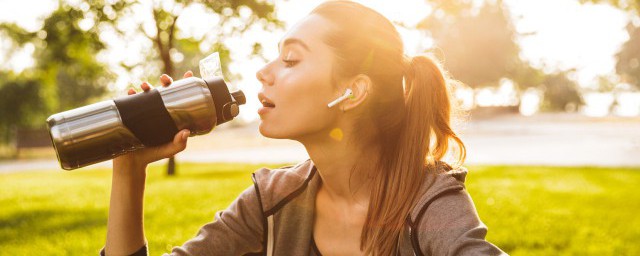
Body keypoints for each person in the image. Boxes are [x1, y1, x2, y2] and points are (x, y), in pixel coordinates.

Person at [102, 1, 507, 255]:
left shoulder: (429, 203)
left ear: (351, 93)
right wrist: (130, 168)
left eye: (291, 60)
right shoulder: (272, 201)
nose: (263, 72)